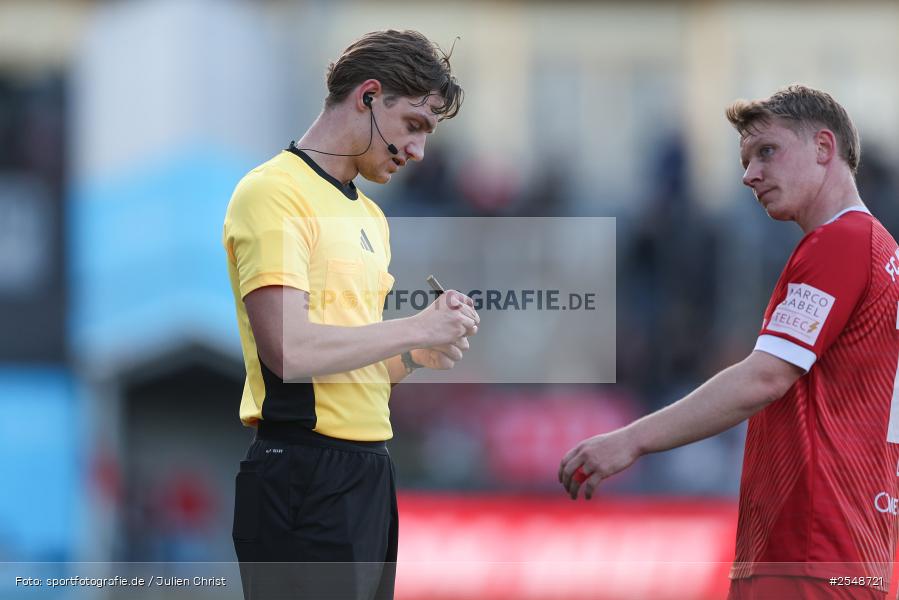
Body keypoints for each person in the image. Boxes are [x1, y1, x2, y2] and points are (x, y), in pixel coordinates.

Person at [559, 85, 899, 599]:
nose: (749, 175)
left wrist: (630, 440)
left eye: (767, 152)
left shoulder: (842, 243)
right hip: (848, 542)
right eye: (746, 160)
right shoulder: (878, 248)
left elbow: (764, 377)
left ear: (824, 148)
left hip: (813, 545)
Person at [222, 30, 478, 600]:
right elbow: (289, 352)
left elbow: (349, 365)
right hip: (301, 473)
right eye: (414, 125)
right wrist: (415, 326)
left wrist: (414, 354)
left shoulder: (370, 216)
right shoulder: (271, 192)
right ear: (368, 95)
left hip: (367, 475)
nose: (418, 151)